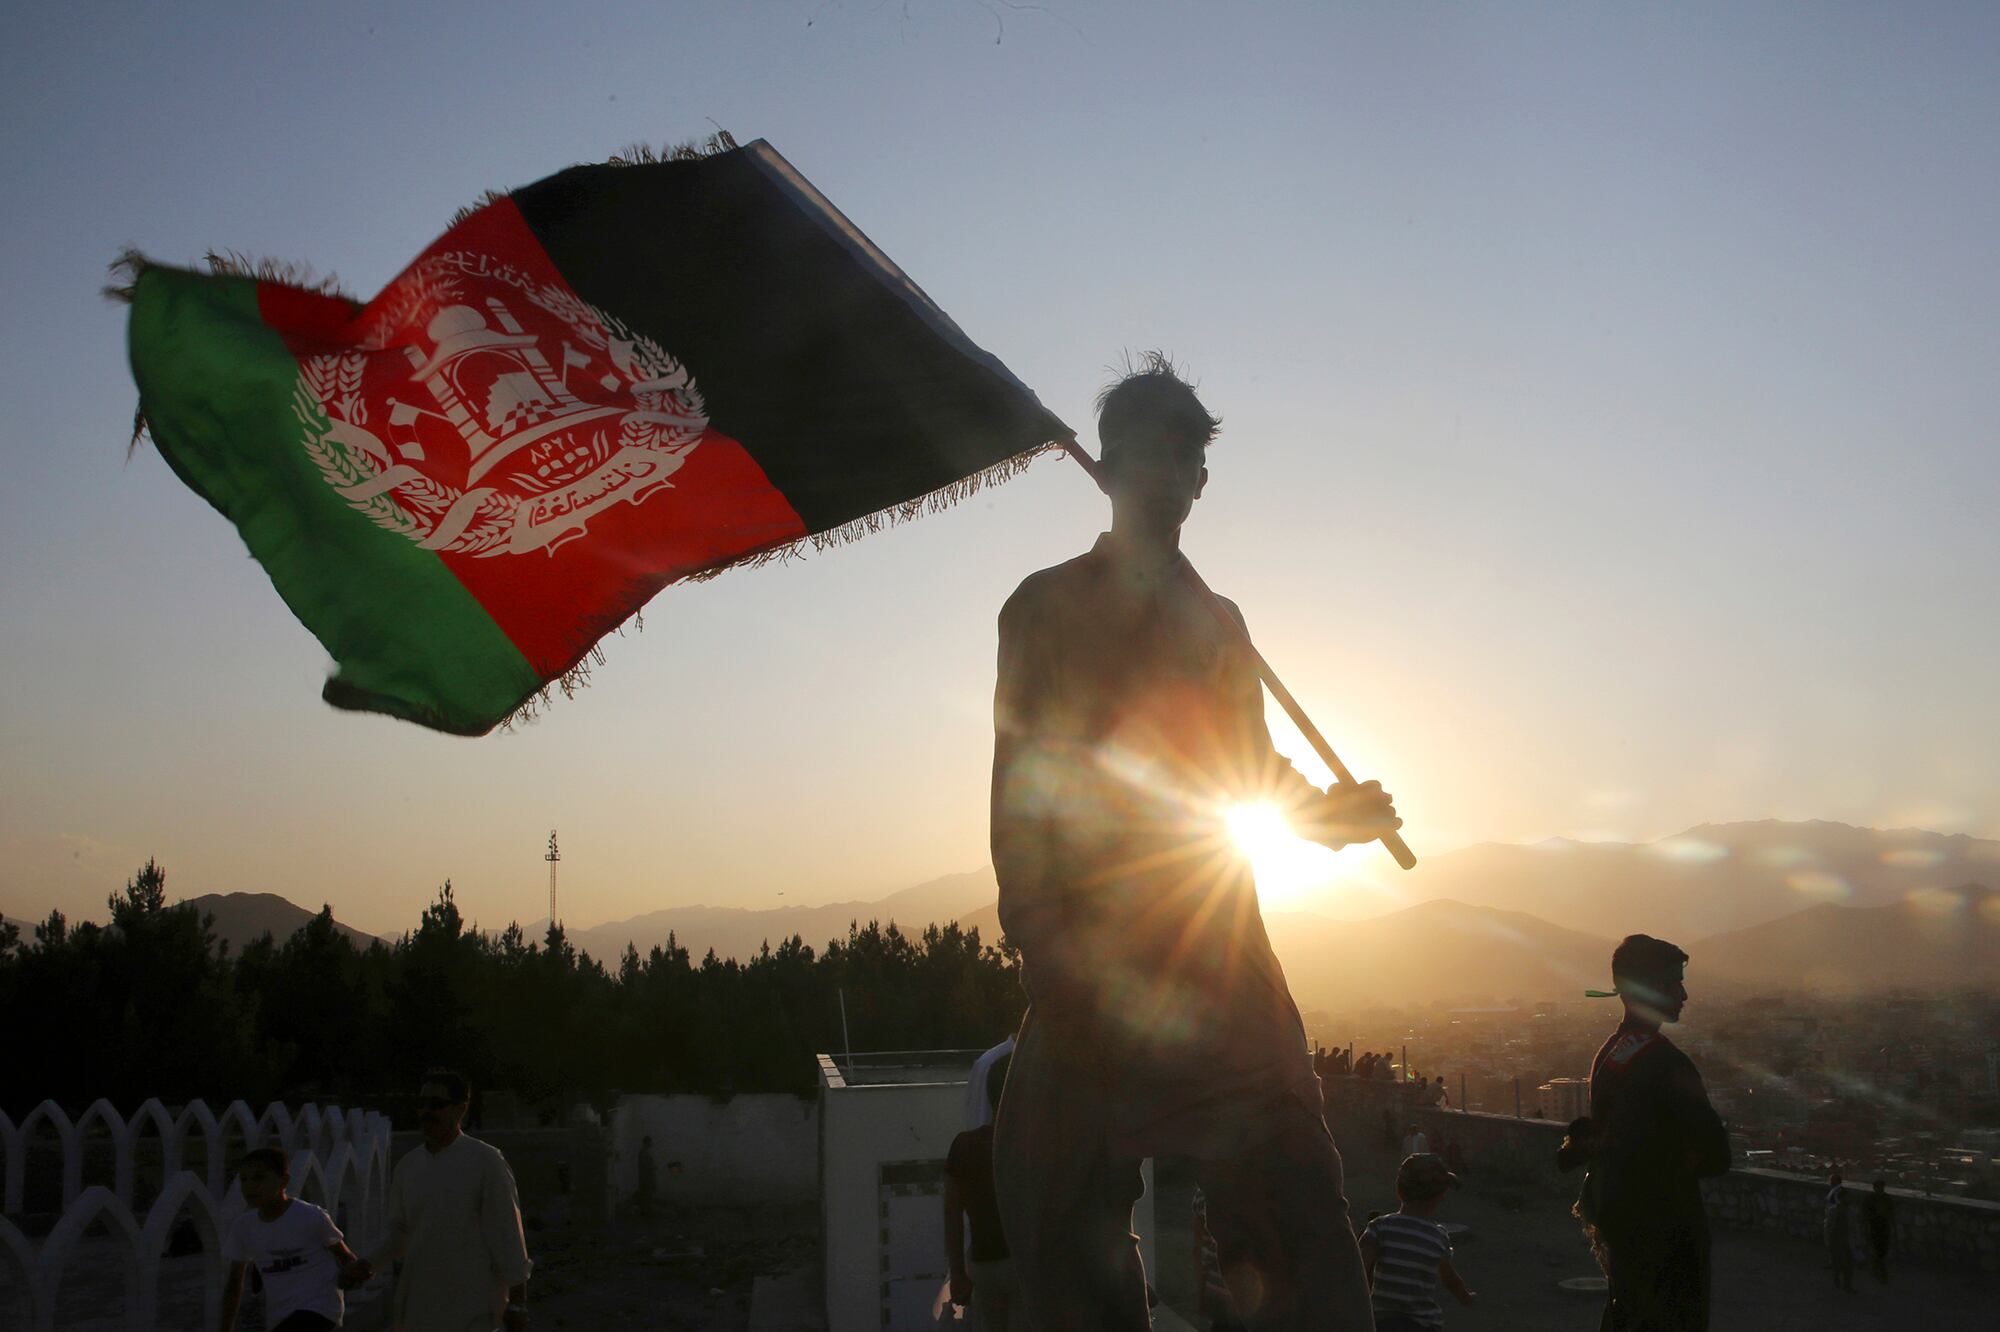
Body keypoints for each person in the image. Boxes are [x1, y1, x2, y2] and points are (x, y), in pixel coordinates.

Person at [990, 354, 1401, 1330]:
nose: (1169, 470)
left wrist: (1334, 821)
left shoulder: (1219, 623)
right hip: (1087, 955)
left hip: (1216, 945)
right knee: (1048, 1210)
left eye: (1187, 455)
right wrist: (1047, 959)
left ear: (1200, 480)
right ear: (1110, 459)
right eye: (1149, 447)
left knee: (1297, 1219)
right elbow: (1021, 798)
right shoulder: (1042, 608)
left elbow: (1249, 781)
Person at [1569, 935, 1730, 1331]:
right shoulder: (1666, 1062)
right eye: (1673, 983)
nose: (1684, 994)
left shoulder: (1610, 1054)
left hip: (1624, 1231)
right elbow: (1717, 1156)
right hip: (1669, 1235)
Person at [344, 1070, 534, 1332]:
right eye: (421, 1104)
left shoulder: (485, 1161)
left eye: (436, 1104)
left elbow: (507, 1233)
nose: (426, 1112)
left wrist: (517, 1302)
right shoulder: (408, 1167)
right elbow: (400, 1234)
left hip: (473, 1303)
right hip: (420, 1301)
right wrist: (368, 1265)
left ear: (460, 1109)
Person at [219, 1147, 361, 1332]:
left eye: (259, 1177)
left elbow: (345, 1255)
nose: (250, 1186)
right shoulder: (244, 1226)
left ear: (283, 1181)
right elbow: (234, 1283)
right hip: (280, 1315)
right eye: (244, 1179)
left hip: (321, 1309)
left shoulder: (310, 1216)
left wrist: (354, 1271)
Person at [1359, 1154, 1476, 1332]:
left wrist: (1361, 1305)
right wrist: (1465, 1297)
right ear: (1439, 1197)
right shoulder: (1437, 1236)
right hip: (1423, 1325)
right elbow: (1448, 1278)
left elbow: (1361, 1267)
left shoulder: (1380, 1227)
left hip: (1382, 1322)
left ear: (1399, 1190)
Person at [946, 1054, 1015, 1330]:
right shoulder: (1036, 1150)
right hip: (1024, 1269)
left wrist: (958, 1273)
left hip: (983, 1269)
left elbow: (951, 1216)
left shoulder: (964, 1146)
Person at [1824, 1185, 1856, 1292]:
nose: (1850, 1199)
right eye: (1848, 1197)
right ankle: (1839, 1279)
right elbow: (1828, 1227)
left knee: (1848, 1264)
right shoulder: (1834, 1211)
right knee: (1838, 1263)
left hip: (1846, 1241)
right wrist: (1828, 1241)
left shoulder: (1850, 1211)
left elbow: (1853, 1228)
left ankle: (1846, 1284)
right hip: (1837, 1240)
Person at [1864, 1179, 1894, 1283]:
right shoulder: (1871, 1199)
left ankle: (1876, 1269)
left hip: (1884, 1227)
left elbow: (1891, 1213)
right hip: (1875, 1227)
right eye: (1878, 1187)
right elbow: (1866, 1213)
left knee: (1881, 1250)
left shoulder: (1886, 1199)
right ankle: (1881, 1271)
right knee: (1878, 1250)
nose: (1880, 1189)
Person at [634, 1134, 658, 1219]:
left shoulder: (645, 1152)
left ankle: (646, 1212)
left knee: (648, 1195)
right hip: (646, 1177)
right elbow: (645, 1166)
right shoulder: (644, 1153)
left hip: (647, 1177)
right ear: (647, 1143)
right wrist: (653, 1167)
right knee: (647, 1195)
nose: (651, 1144)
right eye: (650, 1142)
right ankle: (646, 1213)